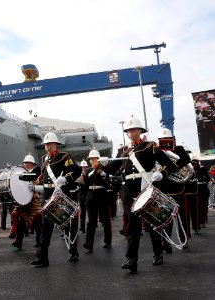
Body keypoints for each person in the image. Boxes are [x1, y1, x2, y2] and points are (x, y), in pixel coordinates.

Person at [101, 116, 179, 273]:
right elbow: (111, 170)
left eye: (133, 129)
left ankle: (158, 254)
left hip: (145, 186)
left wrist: (161, 174)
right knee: (132, 224)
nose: (131, 132)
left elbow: (169, 165)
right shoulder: (124, 151)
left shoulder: (150, 146)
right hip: (128, 190)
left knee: (152, 223)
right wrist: (104, 165)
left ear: (140, 131)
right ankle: (132, 259)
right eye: (128, 130)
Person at [30, 132, 81, 267]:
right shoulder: (43, 160)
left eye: (50, 144)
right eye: (45, 144)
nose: (47, 146)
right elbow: (35, 172)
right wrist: (23, 175)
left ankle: (73, 251)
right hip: (47, 197)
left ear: (55, 144)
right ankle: (43, 258)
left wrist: (66, 178)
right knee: (45, 229)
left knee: (66, 227)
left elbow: (76, 171)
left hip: (60, 196)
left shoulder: (64, 157)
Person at [156, 128, 191, 253]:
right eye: (162, 140)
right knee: (165, 218)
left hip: (178, 188)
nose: (165, 142)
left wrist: (168, 169)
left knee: (182, 216)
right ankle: (166, 242)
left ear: (172, 140)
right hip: (163, 188)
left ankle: (184, 240)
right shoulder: (157, 151)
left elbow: (186, 159)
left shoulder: (178, 149)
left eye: (167, 140)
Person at [82, 149, 112, 252]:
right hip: (91, 197)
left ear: (98, 159)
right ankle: (89, 243)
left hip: (101, 196)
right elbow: (85, 185)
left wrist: (103, 170)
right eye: (90, 159)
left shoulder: (104, 168)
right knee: (91, 222)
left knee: (106, 220)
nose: (92, 161)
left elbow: (107, 181)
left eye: (94, 159)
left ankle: (108, 241)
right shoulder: (88, 171)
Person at [12, 153, 42, 249]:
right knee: (21, 222)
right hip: (24, 201)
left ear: (32, 164)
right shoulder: (21, 173)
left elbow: (39, 187)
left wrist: (32, 186)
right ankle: (18, 241)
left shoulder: (36, 174)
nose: (26, 164)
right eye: (25, 163)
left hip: (34, 201)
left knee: (37, 223)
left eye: (28, 163)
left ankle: (39, 241)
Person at [77, 160, 88, 233]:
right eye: (82, 166)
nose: (83, 167)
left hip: (88, 194)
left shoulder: (89, 173)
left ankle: (93, 224)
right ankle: (82, 227)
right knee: (82, 212)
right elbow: (78, 182)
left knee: (90, 211)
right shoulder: (78, 174)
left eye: (84, 166)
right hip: (81, 194)